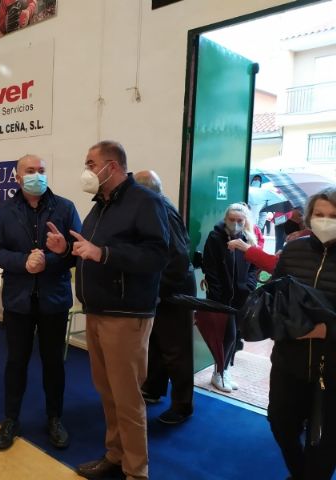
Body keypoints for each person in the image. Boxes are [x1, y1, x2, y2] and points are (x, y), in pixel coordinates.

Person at [47, 141, 169, 480]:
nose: (86, 169)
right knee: (108, 392)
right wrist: (67, 250)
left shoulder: (145, 202)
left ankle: (137, 471)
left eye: (90, 162)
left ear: (111, 166)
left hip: (126, 316)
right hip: (98, 311)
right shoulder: (100, 205)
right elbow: (90, 252)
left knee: (127, 399)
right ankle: (115, 455)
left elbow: (158, 255)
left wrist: (104, 254)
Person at [0, 154, 81, 451]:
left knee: (54, 363)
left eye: (41, 170)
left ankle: (55, 418)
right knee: (16, 362)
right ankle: (11, 419)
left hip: (54, 299)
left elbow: (77, 250)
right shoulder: (4, 211)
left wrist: (54, 257)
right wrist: (23, 262)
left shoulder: (65, 207)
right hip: (18, 301)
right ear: (17, 177)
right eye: (30, 171)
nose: (37, 175)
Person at [268, 187, 336, 480]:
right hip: (289, 361)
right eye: (319, 214)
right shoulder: (293, 250)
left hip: (331, 370)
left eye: (333, 216)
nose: (325, 221)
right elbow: (275, 294)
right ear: (309, 217)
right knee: (280, 424)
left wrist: (326, 330)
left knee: (324, 445)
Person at [135, 170, 196, 425]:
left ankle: (182, 406)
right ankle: (153, 388)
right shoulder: (159, 206)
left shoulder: (162, 211)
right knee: (158, 344)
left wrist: (159, 290)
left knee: (176, 351)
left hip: (173, 290)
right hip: (164, 289)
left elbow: (177, 259)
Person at [202, 203, 258, 393]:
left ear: (245, 221)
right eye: (232, 220)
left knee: (234, 338)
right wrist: (217, 294)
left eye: (239, 220)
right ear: (226, 219)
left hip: (240, 297)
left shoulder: (247, 239)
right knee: (227, 336)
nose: (235, 224)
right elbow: (210, 267)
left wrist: (249, 286)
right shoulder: (215, 237)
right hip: (221, 298)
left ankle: (224, 371)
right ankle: (218, 373)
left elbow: (253, 267)